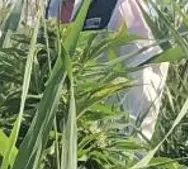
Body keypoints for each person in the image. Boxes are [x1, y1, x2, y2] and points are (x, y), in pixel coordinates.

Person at [48, 0, 168, 140]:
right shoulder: (49, 6)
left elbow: (143, 87)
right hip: (54, 133)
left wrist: (131, 152)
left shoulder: (127, 6)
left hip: (104, 139)